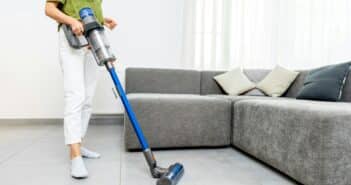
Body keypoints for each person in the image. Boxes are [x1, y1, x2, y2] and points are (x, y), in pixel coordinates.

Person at [45, 0, 117, 179]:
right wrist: (72, 21)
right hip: (72, 39)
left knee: (87, 98)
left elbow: (84, 10)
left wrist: (103, 20)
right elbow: (49, 9)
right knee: (75, 96)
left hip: (94, 39)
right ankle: (75, 156)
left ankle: (79, 143)